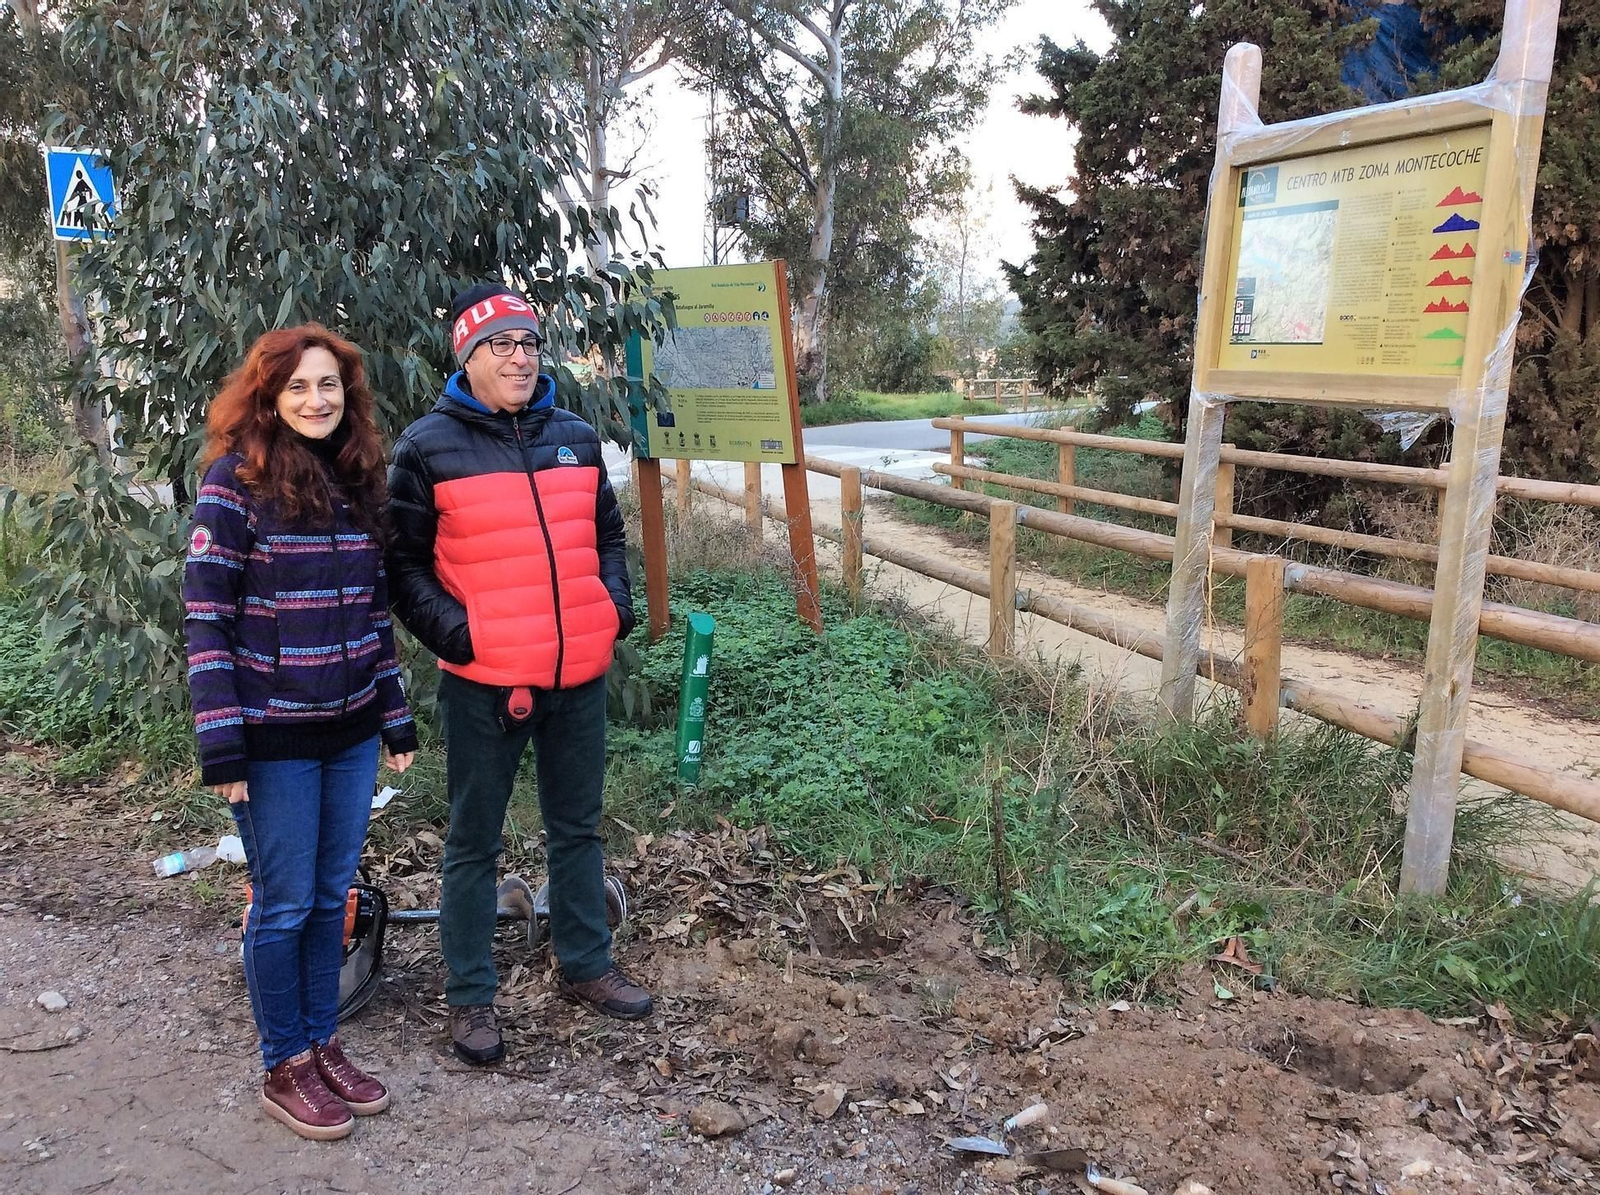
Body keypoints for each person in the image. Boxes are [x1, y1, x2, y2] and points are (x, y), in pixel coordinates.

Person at [387, 283, 648, 1066]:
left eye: (530, 343)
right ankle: (469, 996)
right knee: (473, 840)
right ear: (468, 355)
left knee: (577, 827)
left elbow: (607, 534)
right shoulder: (427, 445)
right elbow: (401, 567)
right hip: (485, 684)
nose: (520, 357)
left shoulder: (573, 434)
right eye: (501, 344)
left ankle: (586, 964)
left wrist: (615, 606)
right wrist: (462, 637)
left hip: (576, 677)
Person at [183, 324, 418, 1140]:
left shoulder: (358, 482)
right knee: (282, 907)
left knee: (329, 898)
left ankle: (323, 1042)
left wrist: (394, 716)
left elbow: (373, 619)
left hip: (350, 734)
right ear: (268, 397)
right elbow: (206, 621)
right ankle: (284, 1060)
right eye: (298, 388)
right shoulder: (234, 484)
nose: (317, 401)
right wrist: (223, 744)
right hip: (272, 738)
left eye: (329, 387)